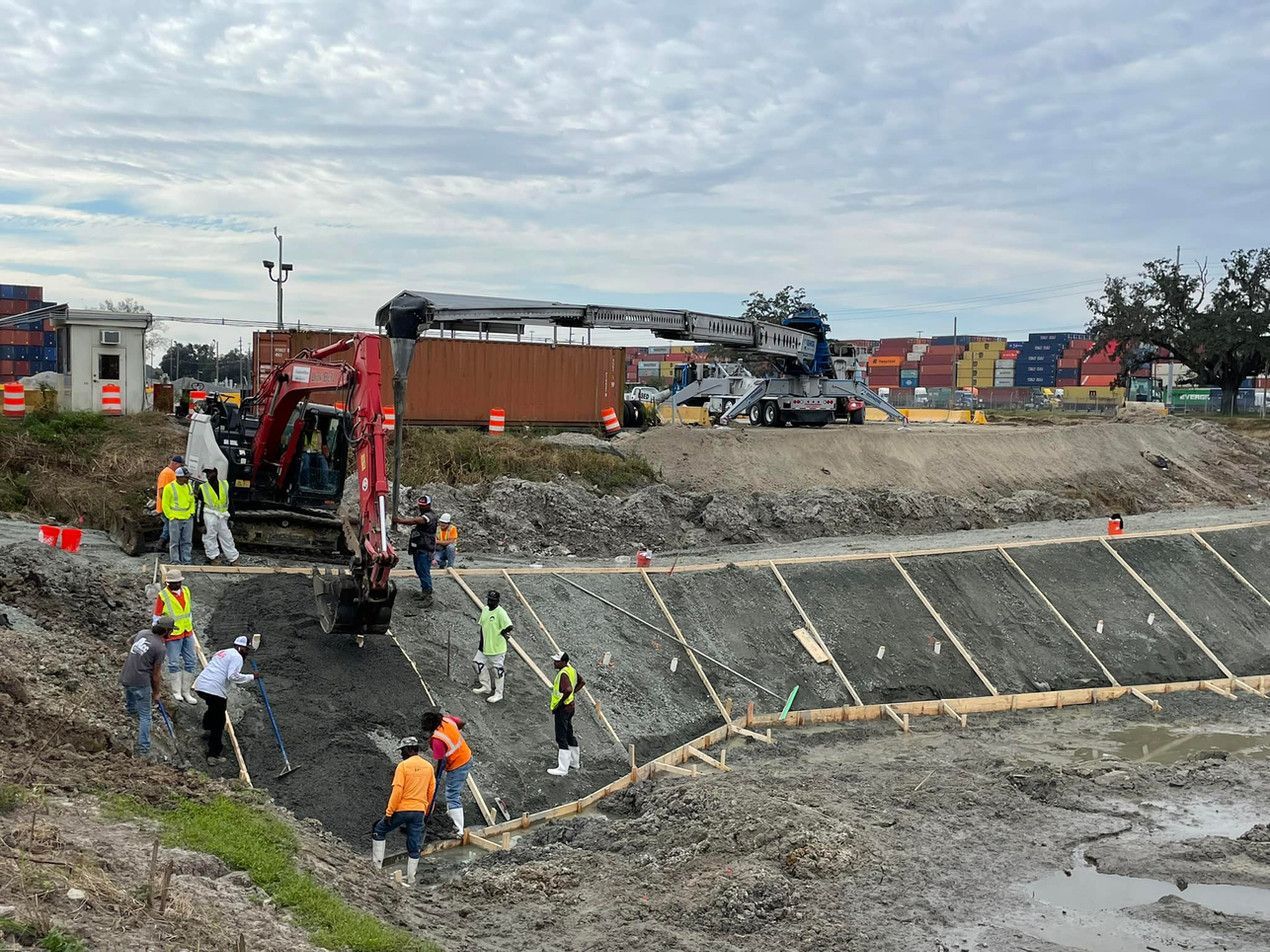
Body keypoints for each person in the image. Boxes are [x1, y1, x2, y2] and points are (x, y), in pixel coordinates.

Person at [371, 736, 435, 887]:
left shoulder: (403, 766)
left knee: (379, 830)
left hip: (402, 809)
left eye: (402, 750)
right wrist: (426, 812)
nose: (401, 754)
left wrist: (389, 812)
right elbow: (431, 793)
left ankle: (376, 870)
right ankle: (411, 879)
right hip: (419, 811)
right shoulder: (428, 767)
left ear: (409, 749)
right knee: (414, 843)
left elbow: (397, 791)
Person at [192, 635, 256, 765]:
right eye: (246, 649)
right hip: (214, 689)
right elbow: (233, 676)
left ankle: (206, 729)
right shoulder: (237, 657)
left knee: (213, 707)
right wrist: (251, 676)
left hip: (200, 685)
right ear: (240, 647)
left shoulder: (222, 652)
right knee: (219, 722)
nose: (247, 652)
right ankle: (213, 754)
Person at [119, 616, 174, 758]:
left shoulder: (143, 633)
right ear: (166, 631)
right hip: (141, 681)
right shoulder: (160, 648)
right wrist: (156, 693)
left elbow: (128, 642)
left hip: (126, 675)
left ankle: (131, 712)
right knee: (146, 715)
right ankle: (143, 748)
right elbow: (156, 675)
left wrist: (138, 658)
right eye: (171, 631)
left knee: (130, 692)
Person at [420, 708, 472, 835]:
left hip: (458, 764)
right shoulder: (447, 720)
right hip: (465, 755)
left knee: (452, 795)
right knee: (451, 793)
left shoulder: (437, 740)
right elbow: (461, 722)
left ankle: (458, 830)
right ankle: (451, 816)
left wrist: (435, 778)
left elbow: (440, 762)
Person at [152, 571, 199, 704]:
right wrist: (158, 634)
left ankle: (186, 692)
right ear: (168, 583)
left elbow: (188, 611)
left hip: (187, 631)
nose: (177, 584)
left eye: (179, 582)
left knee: (191, 661)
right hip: (172, 634)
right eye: (174, 583)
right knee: (174, 663)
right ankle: (176, 691)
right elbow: (157, 616)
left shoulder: (186, 591)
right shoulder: (163, 595)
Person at [394, 496, 438, 606]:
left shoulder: (430, 516)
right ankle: (424, 592)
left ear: (429, 505)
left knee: (424, 571)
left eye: (423, 505)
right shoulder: (424, 514)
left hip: (425, 548)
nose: (421, 507)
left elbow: (415, 521)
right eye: (420, 505)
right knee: (419, 570)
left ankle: (428, 595)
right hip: (419, 547)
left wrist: (400, 521)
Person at [547, 650, 584, 777]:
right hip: (570, 707)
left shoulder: (563, 674)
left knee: (561, 737)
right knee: (569, 734)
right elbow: (582, 682)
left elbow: (567, 689)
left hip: (563, 709)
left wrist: (560, 703)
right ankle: (574, 762)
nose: (554, 663)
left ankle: (563, 768)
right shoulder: (571, 670)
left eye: (557, 661)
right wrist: (572, 694)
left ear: (563, 662)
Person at [473, 589, 512, 704]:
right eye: (489, 599)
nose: (491, 602)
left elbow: (509, 626)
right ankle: (486, 686)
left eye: (493, 600)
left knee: (497, 670)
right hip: (485, 647)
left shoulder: (500, 612)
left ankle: (499, 693)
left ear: (498, 601)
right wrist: (481, 644)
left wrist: (502, 632)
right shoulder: (485, 610)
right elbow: (482, 627)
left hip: (497, 648)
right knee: (477, 664)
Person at [198, 465, 240, 565]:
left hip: (222, 515)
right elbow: (199, 507)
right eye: (207, 473)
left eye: (210, 473)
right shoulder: (203, 488)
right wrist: (200, 523)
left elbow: (230, 502)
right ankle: (213, 557)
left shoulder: (225, 485)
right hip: (209, 514)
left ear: (216, 473)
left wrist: (231, 518)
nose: (208, 475)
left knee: (226, 536)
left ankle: (233, 558)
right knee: (209, 537)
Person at [161, 466, 197, 565]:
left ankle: (186, 561)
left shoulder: (189, 486)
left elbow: (192, 500)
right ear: (179, 477)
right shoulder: (169, 487)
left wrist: (191, 513)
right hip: (175, 519)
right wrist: (171, 517)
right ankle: (175, 561)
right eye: (186, 477)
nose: (188, 479)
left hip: (188, 518)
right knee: (174, 542)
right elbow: (165, 504)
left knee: (187, 541)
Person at [155, 454, 184, 551]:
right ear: (175, 463)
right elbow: (162, 491)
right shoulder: (166, 473)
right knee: (169, 526)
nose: (180, 468)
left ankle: (161, 544)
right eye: (180, 465)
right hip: (166, 506)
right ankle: (160, 544)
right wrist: (167, 505)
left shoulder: (170, 472)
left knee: (168, 526)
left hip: (167, 506)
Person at [298, 413, 330, 491]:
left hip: (317, 454)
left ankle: (324, 485)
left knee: (324, 465)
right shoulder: (300, 432)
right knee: (305, 463)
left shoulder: (319, 433)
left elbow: (324, 446)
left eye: (312, 422)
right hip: (305, 453)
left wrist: (328, 456)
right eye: (308, 421)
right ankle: (305, 484)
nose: (310, 424)